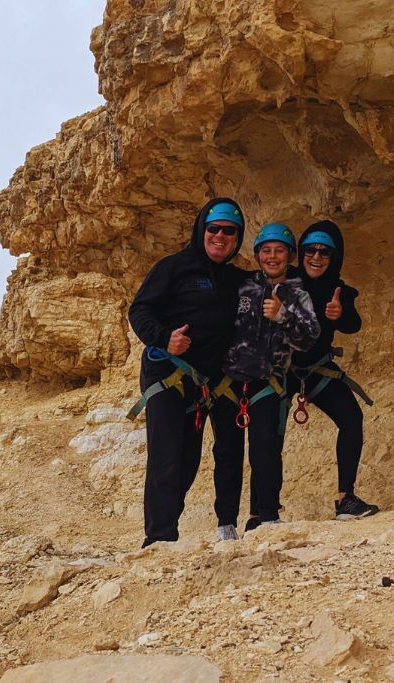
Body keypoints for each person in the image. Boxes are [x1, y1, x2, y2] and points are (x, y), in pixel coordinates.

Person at [127, 198, 246, 548]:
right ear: (202, 230)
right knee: (167, 453)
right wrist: (165, 338)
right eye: (214, 229)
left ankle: (175, 530)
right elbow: (140, 310)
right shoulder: (173, 268)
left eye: (229, 231)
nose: (220, 237)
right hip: (168, 373)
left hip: (207, 383)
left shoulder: (238, 279)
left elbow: (277, 276)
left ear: (237, 237)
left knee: (188, 460)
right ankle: (159, 537)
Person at [211, 223, 320, 540]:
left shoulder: (298, 293)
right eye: (266, 250)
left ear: (289, 255)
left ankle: (268, 517)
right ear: (257, 254)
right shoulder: (242, 286)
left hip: (267, 382)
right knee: (227, 453)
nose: (272, 256)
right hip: (229, 382)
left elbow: (309, 338)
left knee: (266, 451)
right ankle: (225, 523)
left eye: (279, 250)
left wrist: (283, 315)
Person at [288, 220, 379, 521]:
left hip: (317, 370)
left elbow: (353, 323)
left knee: (351, 418)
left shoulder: (339, 291)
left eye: (324, 252)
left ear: (334, 257)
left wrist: (339, 315)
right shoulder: (285, 281)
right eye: (310, 251)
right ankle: (261, 512)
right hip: (283, 372)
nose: (316, 257)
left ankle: (346, 499)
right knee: (268, 435)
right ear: (300, 254)